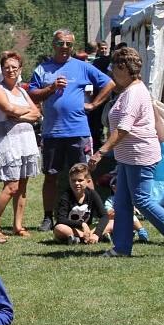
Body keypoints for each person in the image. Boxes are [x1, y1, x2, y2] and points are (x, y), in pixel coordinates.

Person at [90, 47, 164, 257]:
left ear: (123, 68)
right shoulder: (128, 91)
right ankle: (122, 248)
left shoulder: (134, 93)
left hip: (140, 155)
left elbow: (123, 128)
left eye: (114, 67)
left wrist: (100, 152)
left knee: (142, 200)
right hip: (128, 157)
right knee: (122, 202)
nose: (111, 71)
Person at [28, 28, 115, 232]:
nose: (65, 47)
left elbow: (109, 83)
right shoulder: (43, 69)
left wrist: (93, 105)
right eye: (60, 43)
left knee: (85, 175)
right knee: (50, 176)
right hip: (52, 133)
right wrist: (50, 88)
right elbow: (32, 95)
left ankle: (94, 216)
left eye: (69, 44)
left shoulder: (82, 67)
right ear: (53, 45)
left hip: (79, 131)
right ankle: (48, 217)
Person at [0, 51, 42, 241]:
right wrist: (20, 112)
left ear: (20, 70)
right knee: (11, 186)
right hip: (7, 142)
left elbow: (36, 114)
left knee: (23, 186)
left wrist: (19, 114)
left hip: (25, 142)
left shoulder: (23, 90)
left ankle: (18, 226)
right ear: (1, 70)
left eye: (14, 67)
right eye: (6, 67)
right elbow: (9, 109)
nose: (10, 70)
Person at [52, 163, 109, 244]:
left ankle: (87, 238)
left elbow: (104, 216)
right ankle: (86, 238)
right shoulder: (66, 196)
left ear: (88, 181)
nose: (76, 183)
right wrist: (82, 224)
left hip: (89, 229)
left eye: (80, 180)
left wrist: (97, 233)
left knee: (112, 222)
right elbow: (61, 219)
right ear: (69, 180)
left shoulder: (92, 194)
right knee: (59, 228)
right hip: (72, 229)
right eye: (73, 180)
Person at [103, 175, 149, 243]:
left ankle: (141, 231)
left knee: (132, 217)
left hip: (128, 221)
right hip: (114, 221)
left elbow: (134, 210)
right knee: (109, 221)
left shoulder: (129, 199)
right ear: (114, 188)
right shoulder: (110, 200)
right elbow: (109, 213)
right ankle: (109, 235)